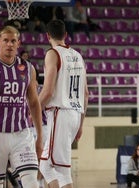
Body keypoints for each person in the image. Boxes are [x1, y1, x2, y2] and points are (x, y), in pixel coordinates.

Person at [39, 19, 89, 188]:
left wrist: (30, 109)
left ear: (47, 36)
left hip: (61, 113)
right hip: (75, 114)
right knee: (46, 166)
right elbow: (86, 94)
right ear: (66, 35)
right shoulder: (78, 55)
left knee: (61, 171)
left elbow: (48, 91)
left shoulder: (52, 54)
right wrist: (81, 125)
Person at [0, 25, 43, 187]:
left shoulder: (28, 68)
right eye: (5, 40)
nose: (9, 44)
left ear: (18, 44)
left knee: (31, 183)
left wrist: (40, 138)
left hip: (21, 134)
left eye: (13, 41)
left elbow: (34, 103)